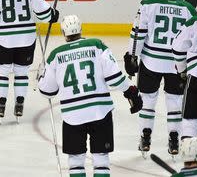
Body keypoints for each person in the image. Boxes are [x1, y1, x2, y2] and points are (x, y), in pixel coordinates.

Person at [38, 15, 142, 177]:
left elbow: (47, 91)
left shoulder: (55, 55)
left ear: (64, 32)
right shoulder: (97, 46)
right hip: (100, 112)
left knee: (75, 160)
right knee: (101, 158)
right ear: (80, 29)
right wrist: (131, 92)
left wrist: (40, 77)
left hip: (72, 115)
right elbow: (115, 78)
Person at [124, 0, 197, 156]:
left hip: (151, 62)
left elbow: (138, 33)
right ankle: (174, 140)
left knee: (148, 100)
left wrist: (132, 56)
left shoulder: (149, 4)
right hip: (176, 63)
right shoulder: (188, 8)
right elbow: (193, 39)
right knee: (175, 101)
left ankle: (145, 137)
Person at [172, 14, 197, 142]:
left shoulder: (195, 22)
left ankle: (191, 159)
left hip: (196, 76)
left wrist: (182, 69)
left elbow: (177, 48)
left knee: (190, 121)